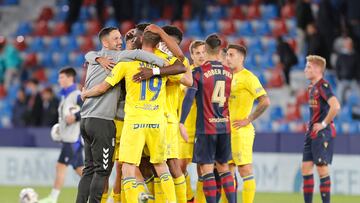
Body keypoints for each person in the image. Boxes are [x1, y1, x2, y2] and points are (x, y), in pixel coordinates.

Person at [81, 30, 185, 203]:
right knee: (161, 166)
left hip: (134, 122)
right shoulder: (165, 66)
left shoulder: (126, 65)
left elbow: (102, 88)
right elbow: (183, 69)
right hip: (157, 122)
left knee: (128, 168)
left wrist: (85, 93)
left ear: (140, 40)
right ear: (158, 43)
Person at [179, 34, 236, 203]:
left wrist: (181, 121)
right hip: (224, 127)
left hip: (206, 127)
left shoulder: (198, 72)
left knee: (207, 170)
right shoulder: (229, 72)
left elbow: (189, 98)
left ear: (207, 50)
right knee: (225, 168)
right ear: (219, 51)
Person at [226, 44, 271, 203]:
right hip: (226, 130)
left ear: (241, 58)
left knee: (244, 170)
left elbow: (265, 101)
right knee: (227, 171)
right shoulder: (226, 76)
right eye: (227, 55)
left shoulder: (249, 77)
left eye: (231, 55)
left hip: (240, 131)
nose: (228, 58)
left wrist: (249, 119)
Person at [39, 67, 84, 203]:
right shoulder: (65, 95)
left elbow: (89, 108)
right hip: (68, 138)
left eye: (62, 77)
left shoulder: (76, 94)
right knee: (81, 170)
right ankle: (102, 193)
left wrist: (76, 117)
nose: (59, 80)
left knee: (60, 166)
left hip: (73, 139)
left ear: (70, 78)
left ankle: (53, 198)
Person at [302, 55, 341, 203]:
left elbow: (336, 106)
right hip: (311, 132)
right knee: (305, 168)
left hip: (322, 133)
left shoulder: (323, 86)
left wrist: (324, 124)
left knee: (321, 168)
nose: (305, 70)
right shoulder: (312, 88)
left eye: (309, 67)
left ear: (318, 69)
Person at [178, 40, 206, 203]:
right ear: (192, 55)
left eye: (203, 52)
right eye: (197, 53)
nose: (201, 55)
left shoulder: (209, 74)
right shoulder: (188, 74)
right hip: (185, 128)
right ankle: (189, 198)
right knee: (180, 168)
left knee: (203, 169)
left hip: (203, 128)